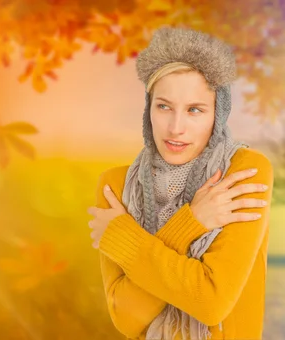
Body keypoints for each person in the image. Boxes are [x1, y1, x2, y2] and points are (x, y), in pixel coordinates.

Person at [86, 27, 273, 340]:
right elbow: (127, 319)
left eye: (194, 110)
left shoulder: (244, 171)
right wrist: (192, 222)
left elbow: (212, 303)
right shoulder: (116, 185)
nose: (175, 128)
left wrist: (126, 237)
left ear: (218, 114)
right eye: (164, 106)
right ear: (149, 110)